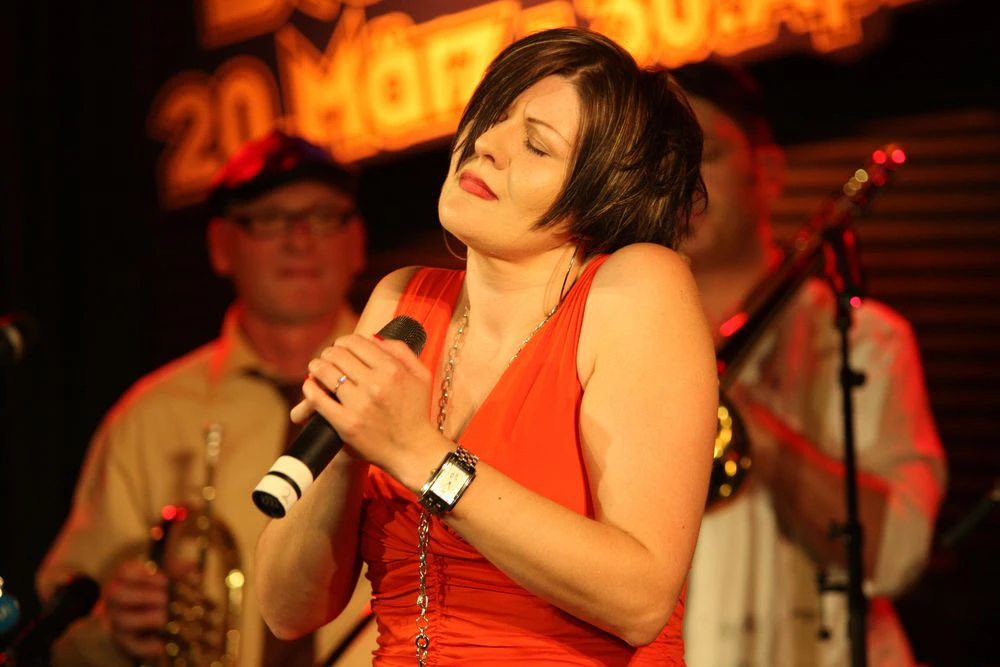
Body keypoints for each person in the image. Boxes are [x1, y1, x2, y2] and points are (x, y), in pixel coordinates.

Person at [254, 27, 718, 665]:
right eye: (493, 117)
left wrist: (419, 454)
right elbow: (287, 611)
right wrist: (347, 447)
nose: (487, 145)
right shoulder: (402, 300)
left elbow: (641, 599)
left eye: (536, 145)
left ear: (600, 193)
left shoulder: (637, 286)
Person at [36, 130, 375, 666]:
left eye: (324, 216)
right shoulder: (150, 417)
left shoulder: (422, 393)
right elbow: (61, 634)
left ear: (357, 240)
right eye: (269, 219)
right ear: (220, 245)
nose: (300, 240)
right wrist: (109, 629)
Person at [669, 60, 948, 666]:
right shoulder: (621, 346)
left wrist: (750, 425)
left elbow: (894, 554)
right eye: (660, 159)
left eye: (706, 154)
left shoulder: (866, 341)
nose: (681, 179)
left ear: (768, 171)